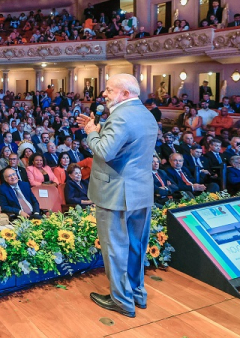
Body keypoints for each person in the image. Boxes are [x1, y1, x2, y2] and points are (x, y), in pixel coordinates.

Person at [76, 73, 158, 318]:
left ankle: (121, 301)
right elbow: (126, 147)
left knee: (115, 248)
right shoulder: (146, 114)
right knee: (136, 247)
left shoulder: (120, 117)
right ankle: (136, 294)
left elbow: (104, 151)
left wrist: (91, 131)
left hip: (117, 194)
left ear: (125, 93)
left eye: (109, 90)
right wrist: (101, 130)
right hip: (140, 191)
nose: (104, 94)